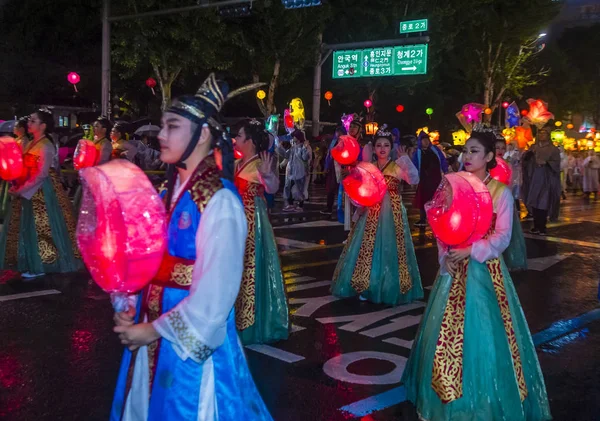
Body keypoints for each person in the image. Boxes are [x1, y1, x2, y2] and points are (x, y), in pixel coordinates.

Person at [110, 74, 273, 421]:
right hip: (149, 331)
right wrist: (127, 302)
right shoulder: (165, 194)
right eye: (162, 126)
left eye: (172, 126)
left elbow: (215, 297)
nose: (161, 135)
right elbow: (143, 257)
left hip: (190, 348)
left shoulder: (220, 201)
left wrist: (153, 330)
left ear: (202, 134)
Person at [402, 131, 551, 421]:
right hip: (454, 267)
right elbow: (442, 225)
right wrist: (446, 255)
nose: (466, 157)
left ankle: (484, 401)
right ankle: (446, 398)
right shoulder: (453, 185)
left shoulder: (500, 192)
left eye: (474, 152)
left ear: (489, 157)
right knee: (445, 334)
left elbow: (503, 236)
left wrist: (472, 250)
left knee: (485, 335)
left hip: (485, 272)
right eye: (465, 152)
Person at [331, 130, 423, 305]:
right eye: (379, 145)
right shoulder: (368, 167)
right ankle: (366, 285)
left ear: (391, 148)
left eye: (386, 145)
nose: (382, 148)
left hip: (393, 213)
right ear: (373, 148)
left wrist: (405, 161)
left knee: (391, 248)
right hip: (371, 211)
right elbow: (359, 192)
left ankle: (389, 287)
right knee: (368, 248)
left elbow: (414, 179)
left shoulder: (397, 166)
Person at [0, 108, 81, 278]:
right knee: (25, 227)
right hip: (29, 187)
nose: (28, 123)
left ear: (43, 126)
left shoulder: (46, 145)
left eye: (33, 121)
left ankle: (43, 264)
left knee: (42, 227)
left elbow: (41, 174)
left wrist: (22, 189)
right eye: (29, 120)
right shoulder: (30, 143)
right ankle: (29, 261)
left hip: (43, 191)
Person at [233, 120, 289, 345]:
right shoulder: (237, 162)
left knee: (252, 267)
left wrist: (267, 176)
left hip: (253, 222)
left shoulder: (260, 163)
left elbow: (273, 187)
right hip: (236, 221)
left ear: (250, 141)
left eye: (238, 135)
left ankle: (253, 322)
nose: (235, 139)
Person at [523, 126, 561, 235]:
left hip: (546, 179)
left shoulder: (553, 149)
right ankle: (536, 226)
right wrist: (528, 155)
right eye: (540, 133)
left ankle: (542, 226)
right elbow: (525, 161)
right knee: (534, 202)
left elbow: (556, 164)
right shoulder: (533, 147)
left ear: (548, 136)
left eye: (544, 133)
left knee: (543, 202)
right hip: (534, 178)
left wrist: (546, 163)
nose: (541, 135)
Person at [412, 131, 449, 227]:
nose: (426, 142)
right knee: (423, 199)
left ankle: (439, 217)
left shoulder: (435, 149)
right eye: (424, 140)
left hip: (436, 179)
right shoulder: (418, 153)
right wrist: (414, 179)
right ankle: (423, 219)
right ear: (420, 141)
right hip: (424, 180)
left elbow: (442, 160)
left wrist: (446, 171)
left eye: (427, 139)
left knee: (437, 197)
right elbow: (414, 166)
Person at [280, 129, 308, 212]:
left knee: (300, 188)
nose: (293, 138)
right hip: (291, 171)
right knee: (288, 186)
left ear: (298, 137)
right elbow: (286, 155)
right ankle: (290, 204)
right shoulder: (293, 147)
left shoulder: (302, 147)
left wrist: (304, 148)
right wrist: (280, 147)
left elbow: (305, 158)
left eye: (294, 136)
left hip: (300, 171)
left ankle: (300, 205)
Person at [320, 127, 345, 216]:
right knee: (330, 188)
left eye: (340, 132)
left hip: (343, 168)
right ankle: (329, 207)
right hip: (333, 168)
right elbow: (329, 155)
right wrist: (326, 167)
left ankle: (342, 209)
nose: (338, 134)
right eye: (337, 132)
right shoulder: (334, 142)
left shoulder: (346, 143)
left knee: (342, 189)